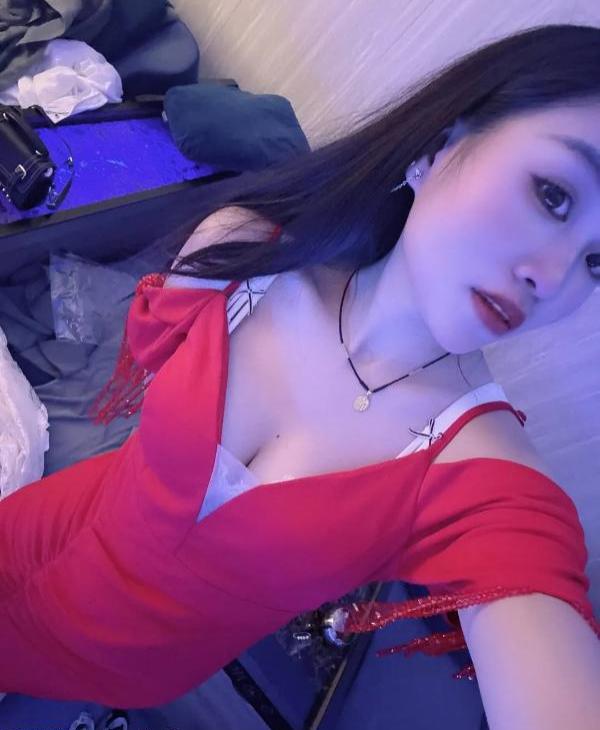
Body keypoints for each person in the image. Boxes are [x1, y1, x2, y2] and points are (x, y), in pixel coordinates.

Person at [0, 22, 599, 727]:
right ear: (439, 145)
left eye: (597, 262)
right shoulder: (248, 248)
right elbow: (152, 349)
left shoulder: (488, 483)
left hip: (126, 662)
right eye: (554, 195)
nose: (553, 277)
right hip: (50, 522)